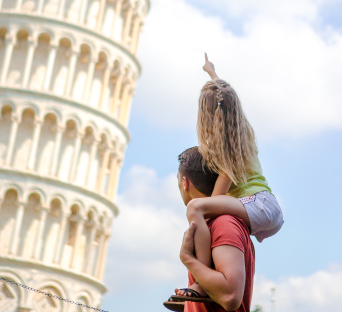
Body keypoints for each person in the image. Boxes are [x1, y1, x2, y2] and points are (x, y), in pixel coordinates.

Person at [176, 54, 283, 298]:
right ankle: (206, 279)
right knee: (203, 211)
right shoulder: (242, 133)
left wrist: (204, 220)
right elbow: (224, 95)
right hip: (265, 205)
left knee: (197, 209)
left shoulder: (227, 152)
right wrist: (212, 73)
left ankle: (202, 282)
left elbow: (216, 197)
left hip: (258, 203)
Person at [174, 146, 255, 312]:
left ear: (185, 183)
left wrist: (187, 258)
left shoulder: (224, 223)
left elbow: (230, 296)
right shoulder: (210, 224)